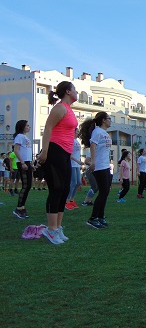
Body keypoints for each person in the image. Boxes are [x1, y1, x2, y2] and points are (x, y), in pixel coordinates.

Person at [38, 81, 79, 244]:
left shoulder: (69, 110)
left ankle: (58, 227)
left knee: (64, 190)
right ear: (68, 91)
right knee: (56, 189)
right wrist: (45, 151)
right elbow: (47, 128)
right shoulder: (60, 107)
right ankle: (51, 229)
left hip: (65, 154)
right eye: (75, 89)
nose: (77, 92)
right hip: (54, 151)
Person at [79, 111, 112, 229]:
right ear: (103, 120)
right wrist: (93, 162)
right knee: (103, 192)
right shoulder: (97, 132)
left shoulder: (104, 133)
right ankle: (92, 218)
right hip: (99, 167)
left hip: (105, 166)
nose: (110, 120)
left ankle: (100, 217)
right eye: (109, 118)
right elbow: (92, 146)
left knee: (105, 192)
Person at [12, 120, 33, 219]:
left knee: (28, 185)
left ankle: (22, 207)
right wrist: (23, 162)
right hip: (22, 162)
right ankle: (18, 208)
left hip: (27, 162)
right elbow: (16, 150)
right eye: (27, 125)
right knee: (26, 186)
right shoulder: (19, 136)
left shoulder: (25, 137)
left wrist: (30, 163)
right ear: (22, 127)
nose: (29, 127)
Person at [65, 128, 84, 210]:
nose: (77, 133)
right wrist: (78, 161)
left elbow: (77, 154)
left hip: (76, 165)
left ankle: (72, 199)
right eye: (76, 132)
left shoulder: (77, 141)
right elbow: (69, 154)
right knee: (73, 182)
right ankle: (67, 201)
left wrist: (79, 162)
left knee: (78, 182)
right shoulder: (70, 141)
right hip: (71, 164)